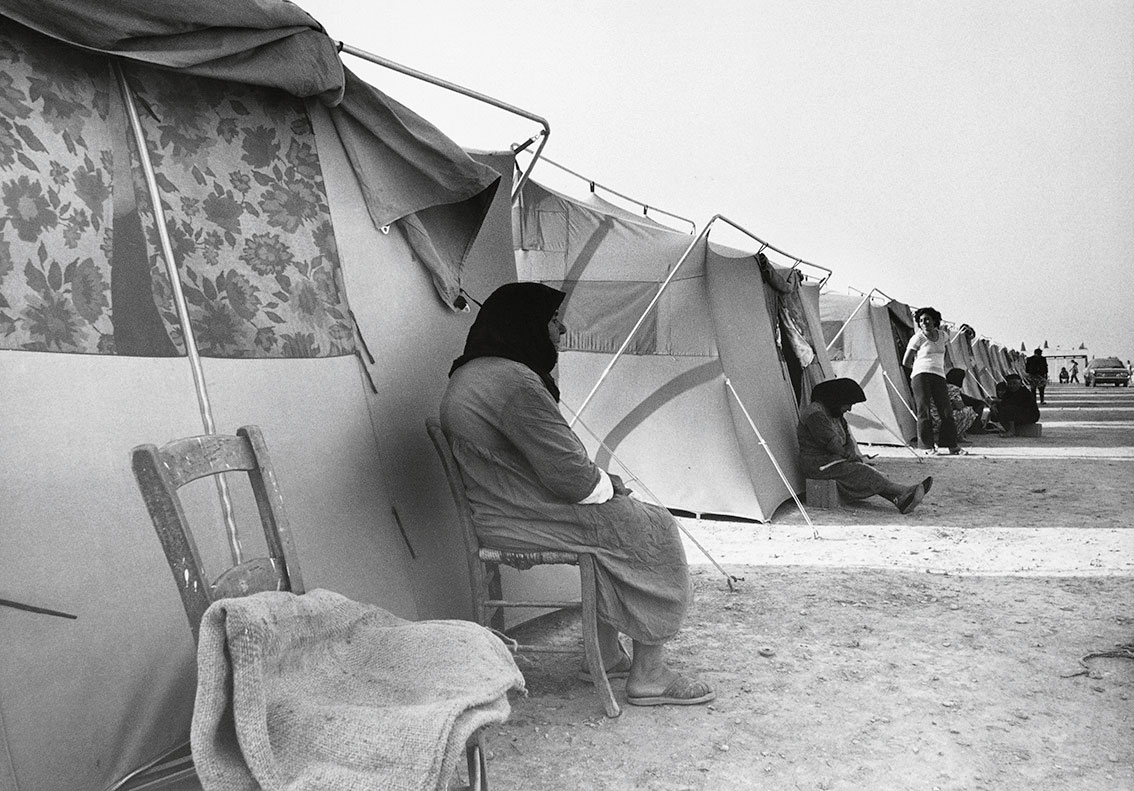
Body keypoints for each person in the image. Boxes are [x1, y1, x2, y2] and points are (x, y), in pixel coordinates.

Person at [440, 282, 714, 708]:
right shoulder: (514, 384)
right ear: (523, 322)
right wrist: (610, 485)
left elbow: (555, 467)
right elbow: (571, 478)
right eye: (551, 319)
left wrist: (601, 485)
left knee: (619, 520)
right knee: (652, 527)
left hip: (504, 508)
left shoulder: (474, 373)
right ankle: (650, 675)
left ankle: (603, 656)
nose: (560, 329)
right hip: (520, 516)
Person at [798, 377, 933, 513]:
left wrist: (851, 452)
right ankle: (905, 491)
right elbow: (832, 444)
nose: (849, 409)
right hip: (818, 465)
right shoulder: (815, 414)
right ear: (837, 399)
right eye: (847, 404)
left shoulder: (834, 412)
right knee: (863, 472)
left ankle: (900, 500)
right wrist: (849, 456)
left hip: (833, 461)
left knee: (866, 471)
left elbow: (847, 437)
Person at [902, 307, 971, 455]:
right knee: (924, 410)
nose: (924, 323)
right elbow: (906, 361)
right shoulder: (918, 338)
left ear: (934, 320)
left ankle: (952, 446)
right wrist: (920, 368)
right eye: (920, 321)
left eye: (927, 319)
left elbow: (945, 356)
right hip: (921, 375)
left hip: (939, 375)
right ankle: (927, 447)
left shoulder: (943, 336)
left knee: (946, 411)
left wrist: (941, 368)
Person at [931, 368, 979, 441]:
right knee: (969, 411)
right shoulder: (953, 388)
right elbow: (959, 405)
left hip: (932, 418)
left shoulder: (941, 385)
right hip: (940, 419)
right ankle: (955, 435)